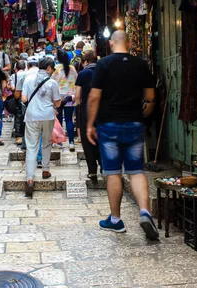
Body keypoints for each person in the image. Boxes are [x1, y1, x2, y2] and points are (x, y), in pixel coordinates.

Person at [86, 30, 159, 241]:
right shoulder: (141, 64)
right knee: (136, 171)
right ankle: (145, 212)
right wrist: (142, 114)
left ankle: (116, 220)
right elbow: (150, 97)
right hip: (134, 123)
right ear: (129, 43)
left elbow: (94, 97)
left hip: (109, 124)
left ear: (111, 43)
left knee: (113, 173)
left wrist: (90, 124)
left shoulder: (104, 64)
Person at [21, 57, 61, 198]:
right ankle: (45, 170)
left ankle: (30, 179)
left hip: (32, 116)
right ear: (49, 68)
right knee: (46, 143)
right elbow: (57, 103)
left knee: (31, 146)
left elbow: (23, 98)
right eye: (52, 69)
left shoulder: (28, 79)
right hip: (47, 115)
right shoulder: (52, 83)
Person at [75, 50, 101, 185]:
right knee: (101, 136)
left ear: (85, 61)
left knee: (87, 138)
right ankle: (104, 164)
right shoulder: (103, 72)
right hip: (102, 109)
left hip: (87, 109)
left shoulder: (82, 74)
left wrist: (78, 106)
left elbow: (78, 95)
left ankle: (92, 170)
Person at [53, 49, 78, 152]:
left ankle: (59, 141)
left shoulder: (56, 69)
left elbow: (52, 83)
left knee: (58, 120)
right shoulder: (72, 69)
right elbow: (76, 81)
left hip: (59, 98)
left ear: (58, 58)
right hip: (70, 97)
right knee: (69, 119)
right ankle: (71, 142)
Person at [9, 60, 27, 145]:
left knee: (18, 116)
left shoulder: (13, 76)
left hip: (18, 98)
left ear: (16, 68)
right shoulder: (27, 74)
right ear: (24, 67)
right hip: (26, 97)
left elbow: (12, 87)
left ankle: (18, 136)